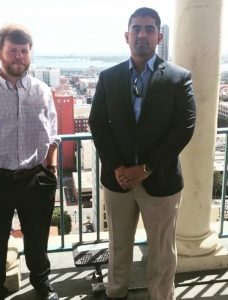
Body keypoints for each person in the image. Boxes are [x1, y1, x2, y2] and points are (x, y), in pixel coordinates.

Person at [89, 7, 196, 300]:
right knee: (118, 245)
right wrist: (117, 167)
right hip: (118, 180)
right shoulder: (108, 78)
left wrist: (146, 168)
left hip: (160, 181)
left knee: (162, 252)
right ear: (127, 36)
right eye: (136, 28)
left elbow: (183, 128)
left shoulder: (178, 77)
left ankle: (162, 296)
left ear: (158, 37)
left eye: (149, 29)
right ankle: (115, 292)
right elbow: (97, 123)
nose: (142, 34)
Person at [0, 24, 60, 300]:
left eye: (24, 51)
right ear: (0, 54)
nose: (19, 56)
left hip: (35, 178)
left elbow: (53, 135)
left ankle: (42, 284)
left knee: (38, 239)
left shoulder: (42, 91)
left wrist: (50, 169)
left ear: (30, 54)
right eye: (13, 51)